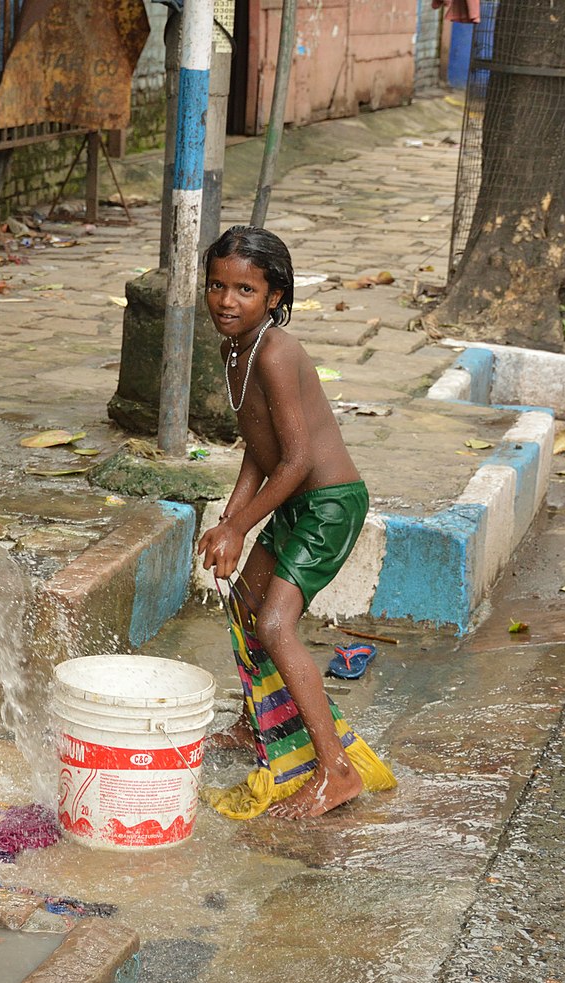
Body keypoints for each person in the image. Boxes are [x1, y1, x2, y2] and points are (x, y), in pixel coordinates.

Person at [196, 225, 370, 819]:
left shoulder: (275, 351)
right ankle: (255, 725)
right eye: (216, 285)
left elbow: (296, 460)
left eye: (244, 289)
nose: (226, 300)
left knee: (274, 623)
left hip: (327, 503)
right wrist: (230, 516)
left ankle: (336, 769)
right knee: (246, 601)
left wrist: (241, 528)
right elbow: (258, 447)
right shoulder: (235, 350)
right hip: (293, 496)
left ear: (273, 296)